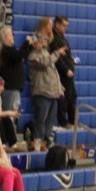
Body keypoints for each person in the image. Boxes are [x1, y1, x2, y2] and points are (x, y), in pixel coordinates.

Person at [26, 18, 65, 151]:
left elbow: (53, 72)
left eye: (45, 40)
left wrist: (60, 88)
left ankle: (48, 142)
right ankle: (37, 141)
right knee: (41, 119)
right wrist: (57, 53)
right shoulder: (32, 56)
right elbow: (44, 63)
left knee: (50, 121)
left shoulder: (46, 52)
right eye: (41, 40)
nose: (44, 42)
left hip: (53, 92)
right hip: (42, 92)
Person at [0, 26, 31, 148]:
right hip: (11, 87)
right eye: (10, 35)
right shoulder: (7, 50)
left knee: (8, 114)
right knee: (11, 114)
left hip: (9, 87)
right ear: (5, 38)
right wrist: (27, 43)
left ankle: (9, 140)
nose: (13, 37)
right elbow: (19, 55)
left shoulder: (1, 51)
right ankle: (11, 141)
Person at [51, 15, 78, 128]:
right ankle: (64, 122)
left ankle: (73, 121)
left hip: (69, 73)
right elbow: (57, 58)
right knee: (62, 99)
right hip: (61, 74)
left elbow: (66, 56)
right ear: (57, 24)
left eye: (67, 26)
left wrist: (71, 61)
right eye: (64, 25)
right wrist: (66, 69)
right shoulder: (54, 39)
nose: (66, 28)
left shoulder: (63, 38)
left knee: (72, 96)